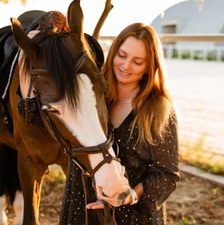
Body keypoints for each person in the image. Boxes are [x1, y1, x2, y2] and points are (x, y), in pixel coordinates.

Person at [60, 23, 180, 225]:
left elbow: (167, 173)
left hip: (130, 215)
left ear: (149, 67)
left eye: (137, 61)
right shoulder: (91, 97)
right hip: (80, 205)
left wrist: (130, 195)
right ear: (113, 52)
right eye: (122, 55)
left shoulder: (158, 109)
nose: (126, 66)